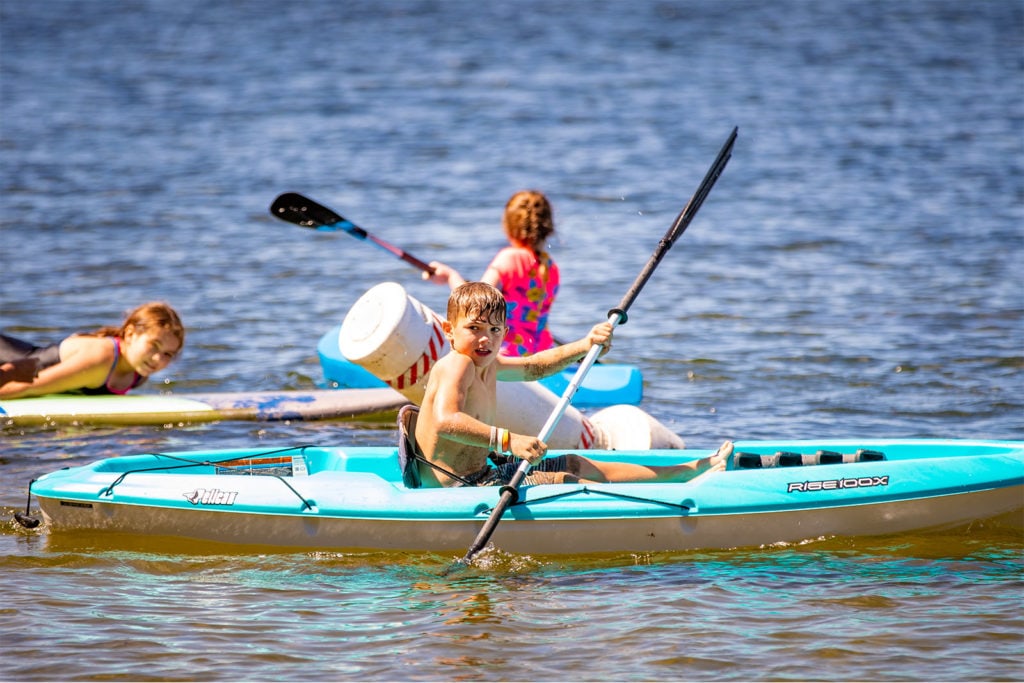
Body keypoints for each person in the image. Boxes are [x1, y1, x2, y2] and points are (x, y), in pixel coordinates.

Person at [412, 282, 732, 488]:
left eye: (495, 330)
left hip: (482, 473)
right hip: (460, 486)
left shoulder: (487, 365)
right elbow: (446, 420)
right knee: (568, 480)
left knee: (579, 463)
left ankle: (686, 471)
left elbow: (534, 366)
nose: (486, 338)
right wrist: (509, 441)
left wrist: (584, 345)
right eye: (474, 328)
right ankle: (679, 485)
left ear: (505, 331)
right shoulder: (459, 363)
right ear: (448, 330)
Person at [424, 189, 560, 357]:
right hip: (543, 353)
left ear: (508, 226)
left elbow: (476, 304)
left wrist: (450, 276)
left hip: (507, 355)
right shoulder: (551, 267)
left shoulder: (509, 258)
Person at [0, 301, 185, 399]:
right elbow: (26, 386)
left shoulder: (139, 371)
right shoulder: (100, 359)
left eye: (168, 354)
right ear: (130, 334)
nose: (157, 359)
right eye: (154, 345)